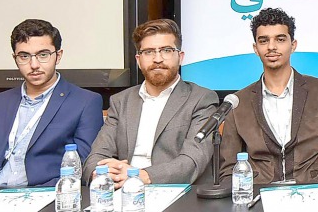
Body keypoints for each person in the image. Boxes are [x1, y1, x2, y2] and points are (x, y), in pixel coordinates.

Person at [0, 19, 104, 187]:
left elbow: (80, 169)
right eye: (24, 56)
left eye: (43, 55)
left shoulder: (85, 102)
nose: (34, 65)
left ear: (58, 56)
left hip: (44, 200)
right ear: (15, 58)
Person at [218, 8, 318, 184]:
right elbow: (228, 169)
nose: (271, 47)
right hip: (258, 199)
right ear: (255, 48)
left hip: (314, 197)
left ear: (293, 45)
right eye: (264, 41)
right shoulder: (237, 102)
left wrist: (316, 190)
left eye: (280, 39)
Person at [83, 19, 219, 188]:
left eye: (166, 50)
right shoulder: (121, 101)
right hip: (121, 190)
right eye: (148, 52)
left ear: (180, 57)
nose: (157, 59)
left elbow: (191, 161)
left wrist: (140, 176)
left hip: (174, 194)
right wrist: (101, 173)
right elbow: (96, 156)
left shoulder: (201, 99)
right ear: (139, 60)